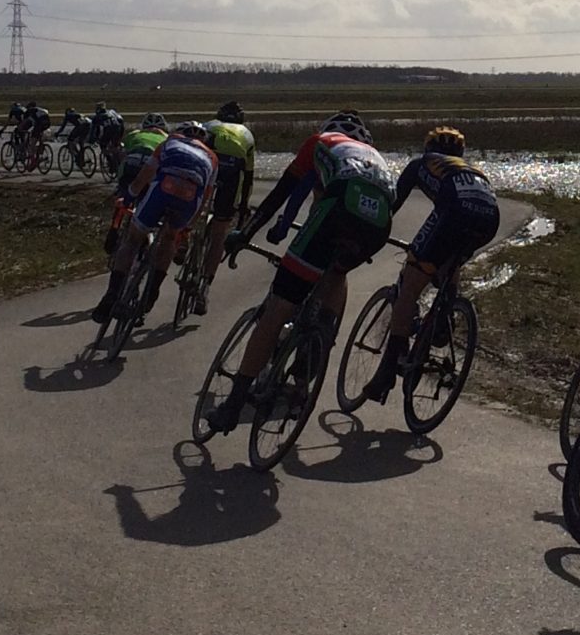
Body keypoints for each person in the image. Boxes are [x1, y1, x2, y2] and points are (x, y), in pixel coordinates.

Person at [203, 112, 394, 433]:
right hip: (379, 223)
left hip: (339, 208)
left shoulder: (319, 143)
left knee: (280, 302)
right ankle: (312, 357)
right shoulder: (376, 158)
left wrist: (245, 233)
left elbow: (281, 195)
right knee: (336, 274)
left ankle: (233, 406)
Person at [360, 126, 502, 402]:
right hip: (489, 218)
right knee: (451, 259)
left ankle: (387, 371)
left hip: (454, 211)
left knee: (412, 282)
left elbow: (391, 207)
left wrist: (372, 236)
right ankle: (443, 315)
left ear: (428, 150)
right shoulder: (472, 170)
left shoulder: (421, 164)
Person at [91, 121, 217, 324]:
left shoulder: (170, 142)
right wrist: (186, 228)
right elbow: (204, 199)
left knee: (132, 239)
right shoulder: (212, 157)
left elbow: (144, 176)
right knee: (169, 239)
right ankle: (152, 292)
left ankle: (112, 295)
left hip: (163, 190)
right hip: (189, 199)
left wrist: (129, 197)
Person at [194, 102, 257, 316]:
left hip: (205, 162)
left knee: (191, 208)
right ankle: (204, 288)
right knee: (219, 231)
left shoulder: (209, 124)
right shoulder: (246, 134)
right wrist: (243, 206)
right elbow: (247, 177)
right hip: (231, 171)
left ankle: (183, 240)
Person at [107, 113, 170, 253]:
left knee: (123, 195)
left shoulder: (135, 134)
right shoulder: (167, 139)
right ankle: (143, 235)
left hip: (130, 165)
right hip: (151, 169)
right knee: (146, 200)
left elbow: (121, 152)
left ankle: (115, 227)